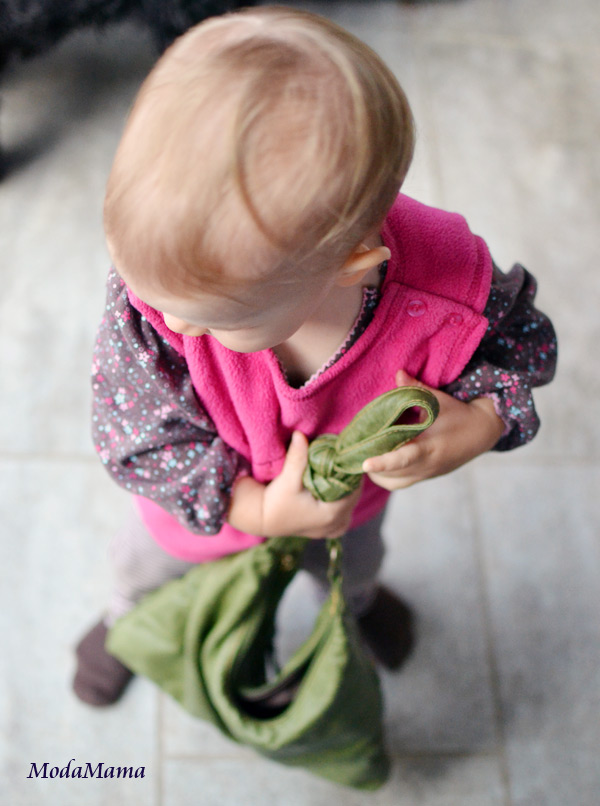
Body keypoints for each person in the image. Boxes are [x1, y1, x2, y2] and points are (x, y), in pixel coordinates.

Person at [73, 6, 557, 706]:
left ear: (351, 264)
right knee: (144, 565)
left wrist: (481, 423)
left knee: (353, 567)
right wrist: (260, 511)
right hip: (205, 506)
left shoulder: (445, 290)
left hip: (346, 511)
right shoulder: (158, 292)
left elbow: (521, 350)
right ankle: (127, 621)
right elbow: (139, 436)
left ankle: (354, 606)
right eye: (152, 290)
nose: (171, 321)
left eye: (218, 315)